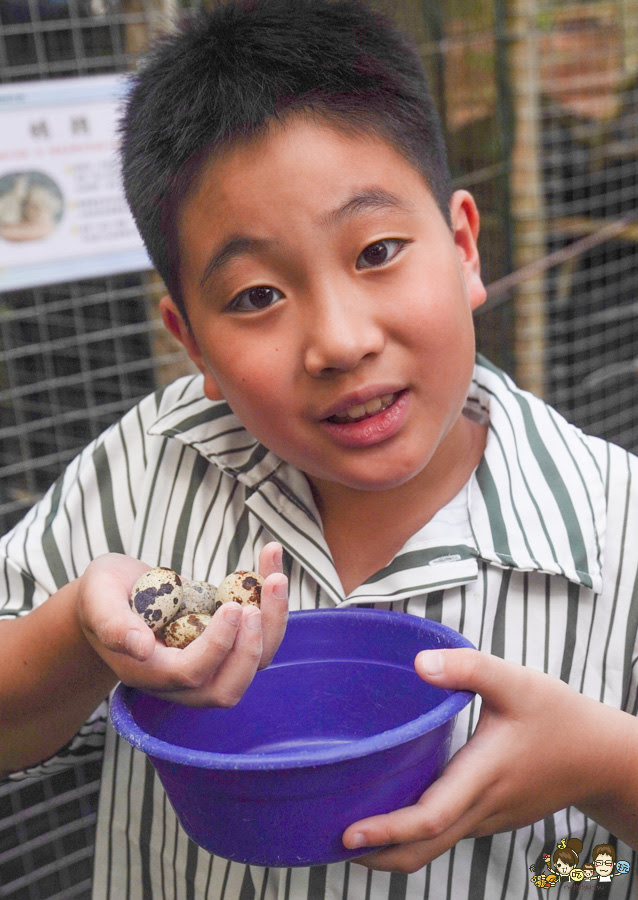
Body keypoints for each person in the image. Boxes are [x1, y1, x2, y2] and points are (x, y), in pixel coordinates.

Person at [1, 1, 637, 898]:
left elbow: (604, 861)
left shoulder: (619, 531)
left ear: (461, 247)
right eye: (257, 296)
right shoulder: (150, 467)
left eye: (376, 250)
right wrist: (75, 633)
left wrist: (610, 770)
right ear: (193, 344)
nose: (338, 341)